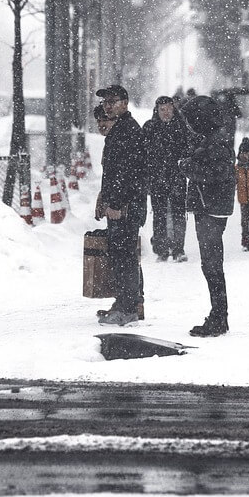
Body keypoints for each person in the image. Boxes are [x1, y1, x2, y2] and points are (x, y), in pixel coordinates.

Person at [178, 95, 236, 337]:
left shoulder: (217, 142)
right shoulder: (212, 139)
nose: (189, 125)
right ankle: (217, 315)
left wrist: (187, 166)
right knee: (210, 265)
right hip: (209, 207)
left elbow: (216, 174)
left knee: (212, 265)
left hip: (212, 209)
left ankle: (219, 317)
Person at [94, 85, 147, 327]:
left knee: (124, 257)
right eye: (105, 101)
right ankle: (123, 303)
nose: (107, 105)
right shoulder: (120, 130)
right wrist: (104, 198)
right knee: (120, 255)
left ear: (125, 102)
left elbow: (128, 174)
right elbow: (113, 173)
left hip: (126, 208)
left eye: (113, 101)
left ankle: (128, 308)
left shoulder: (128, 131)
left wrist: (116, 203)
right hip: (120, 205)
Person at [144, 95, 191, 262]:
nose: (166, 113)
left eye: (169, 109)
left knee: (179, 213)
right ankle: (161, 249)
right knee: (159, 214)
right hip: (157, 178)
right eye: (162, 110)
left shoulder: (181, 127)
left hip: (177, 177)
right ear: (156, 110)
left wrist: (184, 165)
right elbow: (143, 153)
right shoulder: (150, 128)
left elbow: (188, 149)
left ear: (174, 109)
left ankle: (178, 248)